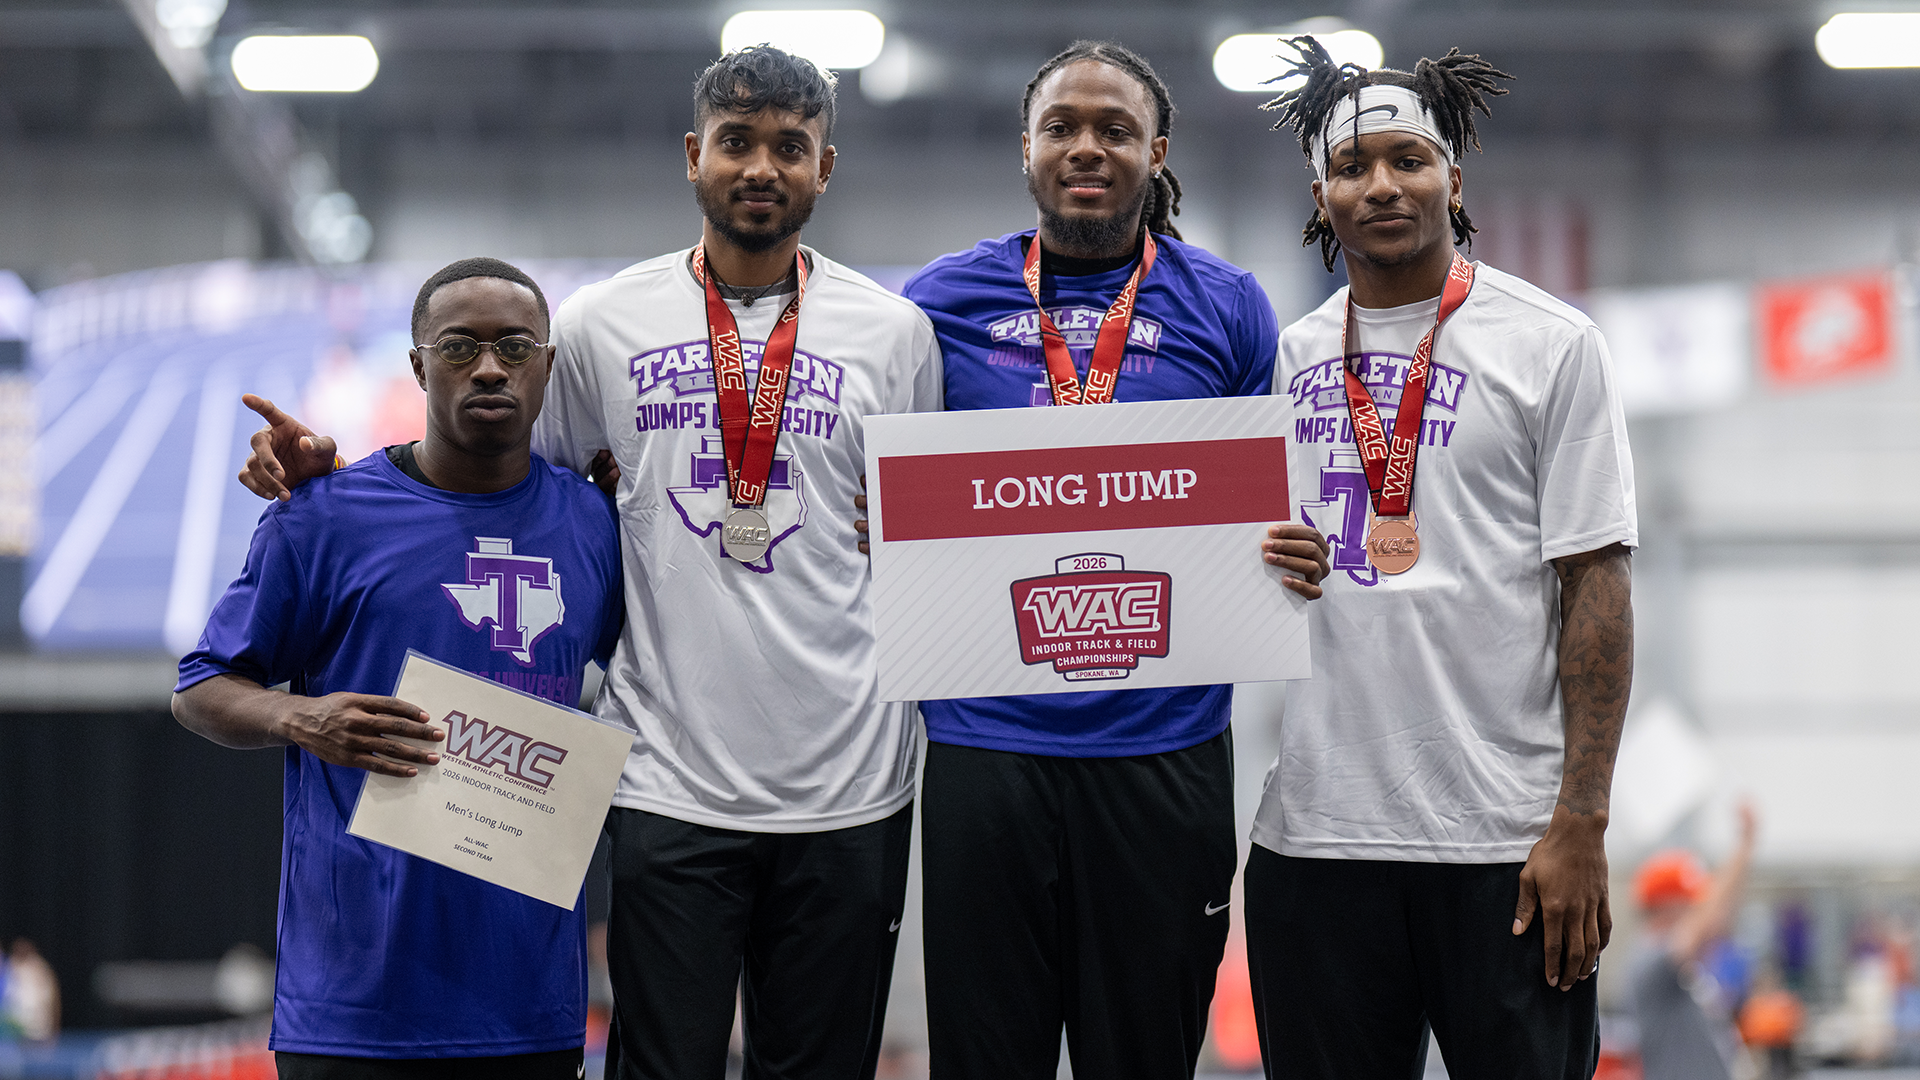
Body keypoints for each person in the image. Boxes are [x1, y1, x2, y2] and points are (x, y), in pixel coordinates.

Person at [238, 47, 942, 1080]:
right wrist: (347, 485)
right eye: (736, 143)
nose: (760, 167)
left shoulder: (897, 334)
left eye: (789, 147)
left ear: (824, 167)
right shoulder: (603, 325)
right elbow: (497, 479)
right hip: (665, 786)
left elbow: (914, 546)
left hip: (854, 785)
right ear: (693, 156)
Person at [893, 40, 1328, 1080]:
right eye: (1064, 128)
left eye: (1115, 130)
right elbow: (871, 485)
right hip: (984, 747)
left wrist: (1293, 544)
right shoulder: (939, 301)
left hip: (1162, 750)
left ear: (1155, 150)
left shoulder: (1227, 305)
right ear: (1028, 149)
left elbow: (1277, 499)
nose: (1088, 148)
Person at [1245, 39, 1638, 1079]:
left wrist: (1582, 824)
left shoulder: (1551, 345)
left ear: (1453, 179)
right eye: (1352, 165)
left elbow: (1595, 585)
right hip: (1318, 843)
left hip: (1506, 851)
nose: (1381, 184)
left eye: (1407, 160)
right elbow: (1226, 566)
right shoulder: (1283, 359)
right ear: (1320, 193)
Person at [176, 258, 623, 1078]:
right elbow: (200, 687)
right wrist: (298, 718)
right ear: (417, 365)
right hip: (351, 1009)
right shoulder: (323, 517)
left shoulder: (595, 524)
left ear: (548, 366)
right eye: (459, 345)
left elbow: (664, 671)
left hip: (529, 1007)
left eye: (515, 345)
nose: (489, 366)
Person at [1632, 806, 1761, 1080]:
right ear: (1666, 907)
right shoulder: (1648, 959)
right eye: (1690, 905)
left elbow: (1716, 921)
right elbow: (1702, 925)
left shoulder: (1683, 966)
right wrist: (1743, 847)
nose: (1697, 912)